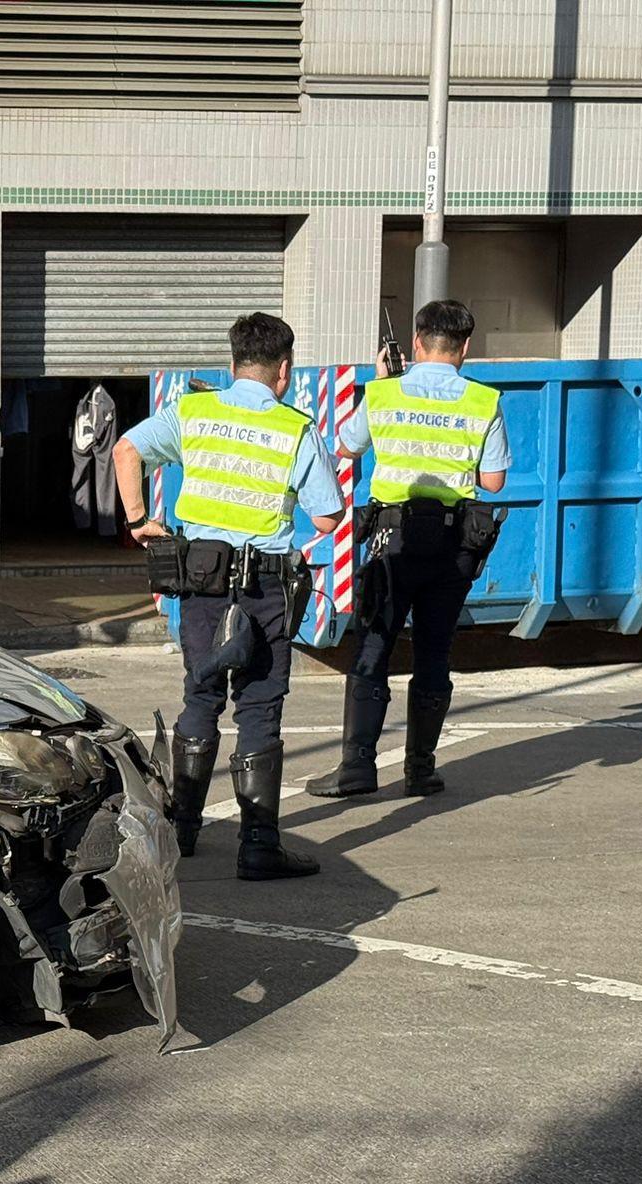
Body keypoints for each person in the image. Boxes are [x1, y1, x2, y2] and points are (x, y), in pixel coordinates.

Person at [113, 313, 344, 877]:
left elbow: (125, 450)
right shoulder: (295, 429)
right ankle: (259, 847)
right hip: (265, 585)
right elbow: (327, 515)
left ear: (233, 362)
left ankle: (184, 833)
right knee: (260, 705)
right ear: (284, 370)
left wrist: (139, 521)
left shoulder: (194, 413)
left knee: (201, 695)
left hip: (202, 580)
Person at [307, 298, 510, 799]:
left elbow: (345, 446)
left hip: (391, 542)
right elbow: (493, 481)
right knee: (435, 652)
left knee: (374, 646)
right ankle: (420, 770)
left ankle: (357, 767)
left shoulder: (383, 394)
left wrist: (381, 384)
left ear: (417, 342)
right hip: (453, 545)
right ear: (465, 347)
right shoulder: (483, 401)